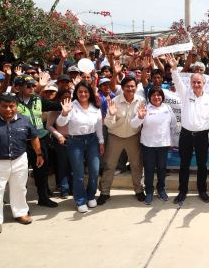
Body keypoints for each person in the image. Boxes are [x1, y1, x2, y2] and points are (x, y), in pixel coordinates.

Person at [0, 93, 44, 235]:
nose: (8, 109)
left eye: (11, 106)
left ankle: (20, 213)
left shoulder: (25, 120)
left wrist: (39, 154)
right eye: (4, 106)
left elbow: (34, 137)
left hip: (19, 160)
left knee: (19, 188)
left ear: (17, 107)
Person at [165, 54, 209, 204]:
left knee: (202, 165)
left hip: (202, 136)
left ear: (204, 83)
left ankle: (202, 191)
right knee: (184, 164)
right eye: (194, 82)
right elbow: (176, 79)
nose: (196, 85)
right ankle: (182, 191)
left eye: (199, 82)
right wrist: (174, 68)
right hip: (186, 135)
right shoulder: (184, 94)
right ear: (190, 83)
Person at [56, 82, 104, 213]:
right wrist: (64, 113)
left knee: (94, 170)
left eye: (86, 91)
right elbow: (60, 123)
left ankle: (90, 196)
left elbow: (99, 127)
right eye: (80, 92)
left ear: (90, 93)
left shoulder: (95, 107)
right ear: (76, 93)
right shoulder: (71, 106)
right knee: (79, 173)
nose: (83, 94)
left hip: (92, 140)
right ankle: (80, 200)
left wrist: (101, 142)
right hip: (75, 142)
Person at [98, 76, 145, 205]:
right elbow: (108, 124)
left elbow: (142, 121)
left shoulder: (141, 101)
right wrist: (112, 114)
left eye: (132, 86)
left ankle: (139, 190)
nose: (130, 89)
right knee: (109, 165)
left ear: (136, 87)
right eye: (127, 86)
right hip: (115, 137)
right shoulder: (115, 101)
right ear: (122, 88)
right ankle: (104, 192)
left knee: (136, 165)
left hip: (133, 137)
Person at [16, 75, 60, 208]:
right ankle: (20, 203)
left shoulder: (38, 99)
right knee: (21, 172)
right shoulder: (13, 101)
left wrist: (71, 103)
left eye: (33, 86)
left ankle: (43, 197)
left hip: (40, 139)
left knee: (41, 170)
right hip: (22, 140)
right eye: (28, 86)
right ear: (20, 87)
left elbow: (56, 105)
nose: (31, 88)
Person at [130, 87, 176, 205]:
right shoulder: (145, 108)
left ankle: (161, 189)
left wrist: (170, 140)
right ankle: (149, 191)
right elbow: (133, 124)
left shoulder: (167, 108)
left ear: (162, 96)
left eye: (159, 95)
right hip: (148, 145)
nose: (156, 97)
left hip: (163, 145)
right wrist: (140, 117)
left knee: (162, 169)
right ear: (149, 97)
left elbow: (173, 125)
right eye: (154, 95)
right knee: (149, 169)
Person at [46, 90, 73, 198]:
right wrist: (59, 135)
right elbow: (49, 125)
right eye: (64, 98)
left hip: (75, 140)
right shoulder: (55, 111)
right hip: (61, 140)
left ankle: (73, 188)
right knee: (63, 165)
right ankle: (64, 189)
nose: (66, 100)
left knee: (73, 165)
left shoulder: (75, 109)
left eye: (69, 97)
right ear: (59, 99)